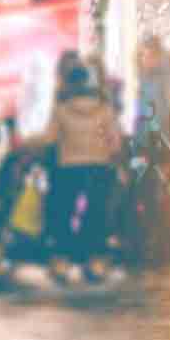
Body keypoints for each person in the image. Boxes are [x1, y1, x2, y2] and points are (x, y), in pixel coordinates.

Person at [26, 63, 124, 283]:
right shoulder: (105, 109)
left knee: (63, 214)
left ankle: (62, 263)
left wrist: (31, 143)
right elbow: (115, 142)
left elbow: (50, 139)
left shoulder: (61, 109)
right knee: (96, 214)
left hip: (68, 167)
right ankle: (95, 263)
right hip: (99, 167)